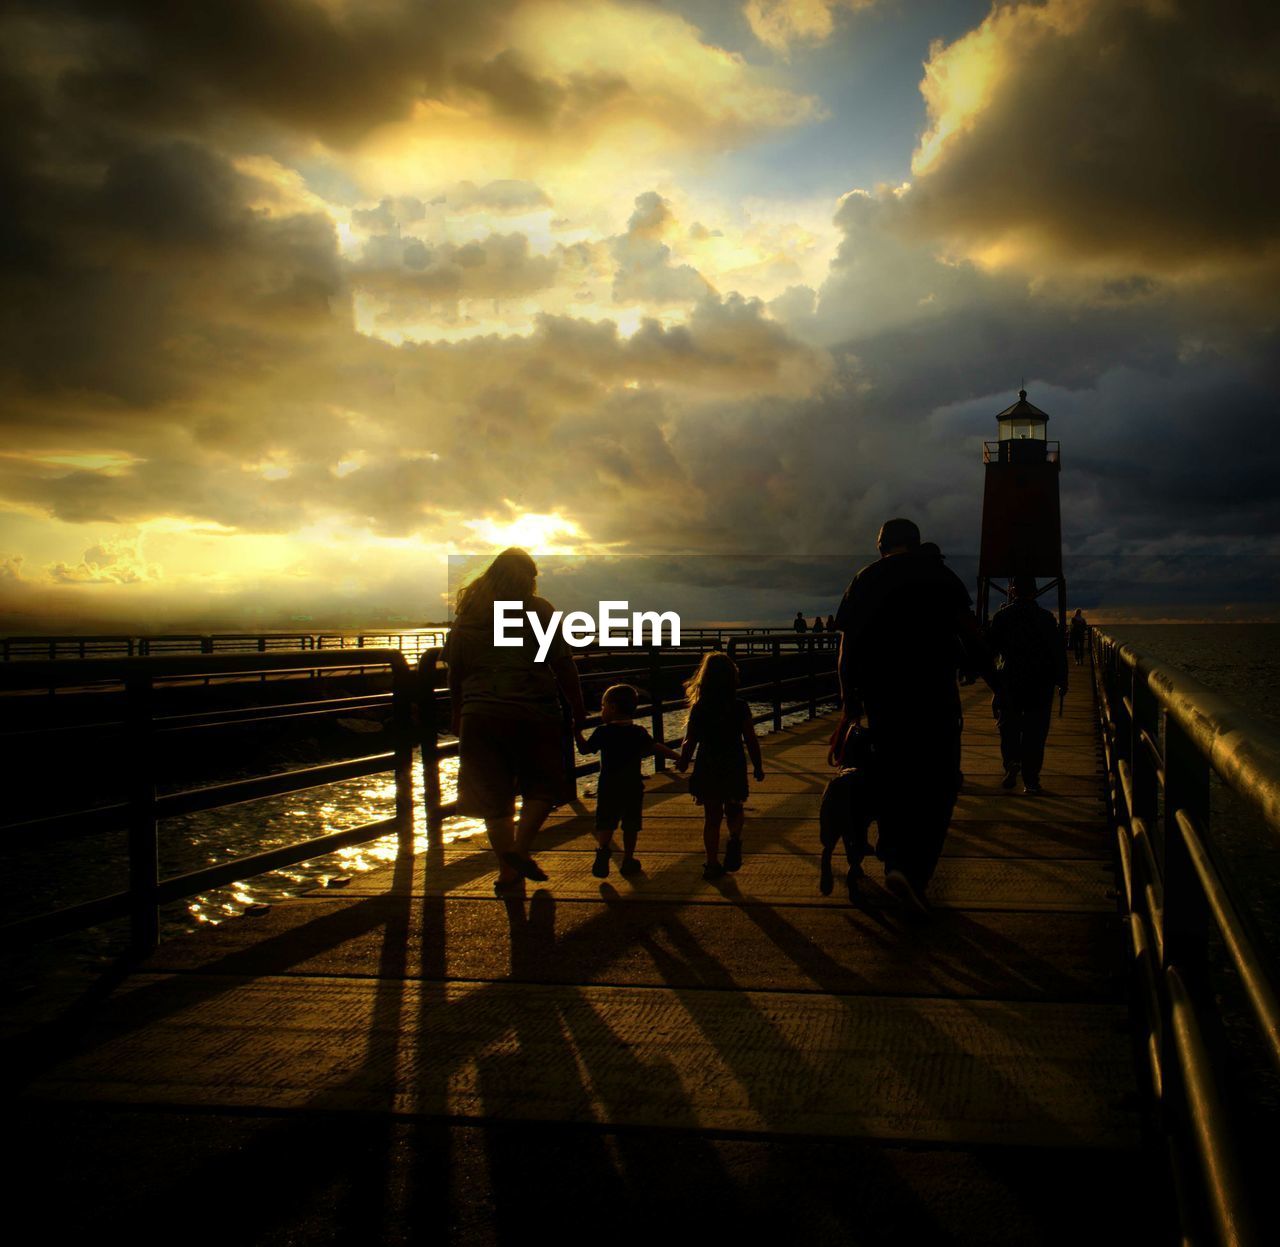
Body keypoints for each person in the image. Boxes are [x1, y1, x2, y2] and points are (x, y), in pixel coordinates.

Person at [834, 518, 996, 915]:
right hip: (935, 698)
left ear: (882, 545)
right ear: (916, 542)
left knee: (892, 776)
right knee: (938, 784)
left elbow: (846, 648)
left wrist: (848, 701)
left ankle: (893, 858)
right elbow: (970, 631)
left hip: (884, 702)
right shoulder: (939, 576)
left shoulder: (864, 579)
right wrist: (994, 679)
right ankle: (912, 871)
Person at [443, 547, 588, 896]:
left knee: (494, 798)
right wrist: (578, 708)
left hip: (480, 714)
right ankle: (519, 851)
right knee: (543, 787)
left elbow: (456, 670)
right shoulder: (540, 611)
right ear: (529, 578)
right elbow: (562, 664)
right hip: (533, 711)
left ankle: (508, 871)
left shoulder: (471, 613)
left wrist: (457, 709)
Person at [676, 651, 765, 880]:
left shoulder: (700, 708)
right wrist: (757, 765)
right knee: (734, 807)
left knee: (712, 817)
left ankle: (712, 863)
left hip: (708, 763)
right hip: (733, 761)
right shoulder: (740, 706)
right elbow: (750, 739)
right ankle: (734, 838)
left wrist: (684, 760)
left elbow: (690, 739)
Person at [576, 683, 679, 878]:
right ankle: (628, 859)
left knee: (606, 821)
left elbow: (585, 750)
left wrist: (576, 733)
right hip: (632, 785)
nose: (601, 711)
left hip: (608, 785)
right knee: (631, 824)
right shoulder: (638, 732)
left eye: (603, 706)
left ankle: (603, 850)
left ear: (612, 708)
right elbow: (655, 747)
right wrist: (678, 757)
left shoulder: (603, 732)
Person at [989, 578, 1069, 795]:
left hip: (1010, 680)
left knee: (1008, 726)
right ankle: (1031, 780)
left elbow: (990, 650)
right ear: (1035, 593)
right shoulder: (1046, 618)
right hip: (1040, 683)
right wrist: (1062, 680)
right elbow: (1057, 652)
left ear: (1012, 591)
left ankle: (1012, 762)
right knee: (1036, 731)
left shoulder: (1002, 617)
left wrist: (993, 683)